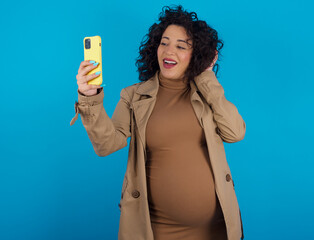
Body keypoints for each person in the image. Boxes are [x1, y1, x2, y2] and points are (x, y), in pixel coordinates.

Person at [70, 5, 246, 240]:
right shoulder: (133, 96)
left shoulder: (206, 93)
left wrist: (206, 77)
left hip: (214, 230)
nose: (169, 51)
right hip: (155, 230)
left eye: (181, 46)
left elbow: (235, 133)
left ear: (195, 55)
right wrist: (89, 98)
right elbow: (106, 144)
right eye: (164, 42)